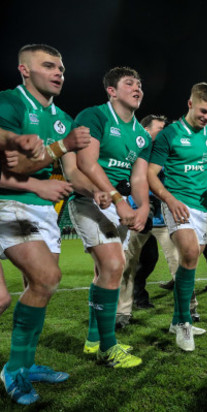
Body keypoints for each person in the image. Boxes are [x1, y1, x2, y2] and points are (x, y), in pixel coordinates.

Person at [0, 44, 93, 405]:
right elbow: (9, 166)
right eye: (49, 66)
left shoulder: (62, 118)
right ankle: (15, 369)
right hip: (10, 203)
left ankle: (26, 362)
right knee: (45, 279)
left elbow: (72, 172)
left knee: (38, 289)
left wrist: (105, 199)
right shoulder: (9, 103)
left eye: (62, 68)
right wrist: (57, 151)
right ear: (24, 70)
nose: (59, 73)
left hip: (42, 210)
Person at [72, 66, 151, 366]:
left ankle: (94, 338)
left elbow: (140, 178)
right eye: (129, 83)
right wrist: (118, 200)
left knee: (104, 272)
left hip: (120, 205)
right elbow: (86, 163)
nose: (137, 88)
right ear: (111, 91)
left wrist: (142, 206)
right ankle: (108, 348)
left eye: (140, 84)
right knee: (116, 266)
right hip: (90, 200)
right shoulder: (95, 116)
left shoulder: (142, 136)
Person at [147, 82, 207, 351]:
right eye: (204, 111)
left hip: (202, 207)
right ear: (190, 103)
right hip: (176, 203)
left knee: (191, 261)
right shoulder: (169, 134)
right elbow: (151, 174)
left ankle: (176, 319)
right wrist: (169, 200)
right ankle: (184, 323)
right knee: (192, 254)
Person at [116, 114, 171, 328]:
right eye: (160, 127)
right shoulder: (135, 149)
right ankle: (123, 311)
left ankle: (187, 311)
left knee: (152, 260)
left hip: (159, 217)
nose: (164, 131)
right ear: (146, 130)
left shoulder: (162, 153)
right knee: (130, 263)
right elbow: (131, 180)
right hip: (137, 214)